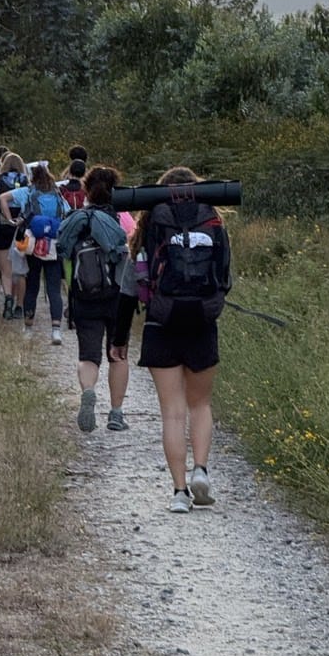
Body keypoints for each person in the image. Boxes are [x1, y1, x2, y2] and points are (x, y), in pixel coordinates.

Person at [129, 166, 232, 513]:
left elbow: (139, 280)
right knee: (199, 405)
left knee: (172, 413)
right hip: (202, 320)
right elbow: (225, 274)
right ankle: (201, 470)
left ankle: (178, 492)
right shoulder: (212, 220)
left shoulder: (152, 223)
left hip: (161, 323)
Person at [57, 165, 132, 433]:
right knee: (118, 354)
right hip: (118, 296)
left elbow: (63, 255)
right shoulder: (122, 218)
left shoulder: (75, 219)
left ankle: (89, 391)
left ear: (86, 189)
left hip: (84, 295)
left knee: (88, 355)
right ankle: (116, 413)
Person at [0, 164, 70, 343]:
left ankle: (28, 327)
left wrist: (10, 220)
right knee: (54, 288)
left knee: (32, 286)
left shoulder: (27, 191)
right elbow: (67, 214)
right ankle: (56, 330)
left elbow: (2, 198)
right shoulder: (58, 194)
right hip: (53, 244)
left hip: (32, 244)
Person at [0, 152, 28, 320]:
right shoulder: (26, 182)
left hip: (1, 229)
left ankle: (8, 301)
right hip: (21, 228)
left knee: (6, 270)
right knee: (21, 270)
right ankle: (20, 306)